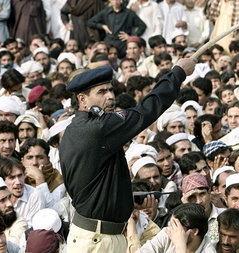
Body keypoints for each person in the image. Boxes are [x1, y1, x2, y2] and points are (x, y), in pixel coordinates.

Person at [60, 58, 196, 252]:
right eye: (101, 92)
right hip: (96, 241)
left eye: (110, 90)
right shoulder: (98, 128)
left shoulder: (76, 128)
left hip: (103, 236)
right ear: (82, 99)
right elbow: (145, 112)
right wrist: (177, 74)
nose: (110, 96)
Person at [136, 203, 216, 252]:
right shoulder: (168, 233)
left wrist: (180, 247)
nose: (169, 229)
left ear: (194, 231)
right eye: (170, 224)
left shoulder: (208, 251)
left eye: (176, 226)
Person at [0, 157, 46, 226]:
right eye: (12, 178)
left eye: (20, 176)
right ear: (1, 181)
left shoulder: (34, 195)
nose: (18, 182)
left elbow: (33, 229)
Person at [181, 173, 225, 243]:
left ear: (209, 193)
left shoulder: (225, 215)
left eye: (202, 194)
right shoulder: (181, 222)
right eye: (192, 197)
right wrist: (186, 207)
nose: (199, 202)